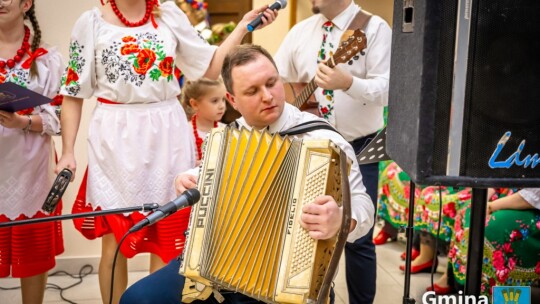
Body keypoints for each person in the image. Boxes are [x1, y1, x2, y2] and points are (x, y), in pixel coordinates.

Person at [55, 1, 277, 303]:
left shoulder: (168, 12)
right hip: (115, 135)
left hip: (167, 132)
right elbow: (73, 92)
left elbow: (209, 68)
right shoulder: (90, 22)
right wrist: (68, 151)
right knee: (115, 240)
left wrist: (243, 27)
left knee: (165, 237)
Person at [120, 44, 375, 304]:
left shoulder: (324, 139)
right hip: (216, 264)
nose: (267, 96)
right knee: (136, 299)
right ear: (233, 100)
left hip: (290, 277)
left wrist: (343, 220)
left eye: (271, 83)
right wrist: (184, 177)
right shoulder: (228, 137)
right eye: (252, 91)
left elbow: (364, 205)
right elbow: (207, 173)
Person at [274, 0, 391, 302]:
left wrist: (349, 82)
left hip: (359, 146)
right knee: (302, 228)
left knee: (358, 235)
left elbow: (389, 88)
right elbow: (275, 76)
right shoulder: (300, 32)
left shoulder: (374, 28)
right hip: (306, 147)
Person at [0, 0, 65, 303]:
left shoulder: (48, 58)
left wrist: (21, 121)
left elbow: (62, 116)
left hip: (31, 169)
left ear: (26, 3)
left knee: (33, 254)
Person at [443, 188, 540, 299]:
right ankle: (462, 284)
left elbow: (532, 196)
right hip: (514, 193)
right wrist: (484, 197)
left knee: (490, 226)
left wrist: (491, 206)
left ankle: (502, 296)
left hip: (532, 204)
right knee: (470, 210)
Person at [180, 77, 227, 162]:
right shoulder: (185, 132)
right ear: (195, 104)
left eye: (223, 99)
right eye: (215, 101)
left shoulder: (226, 130)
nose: (222, 106)